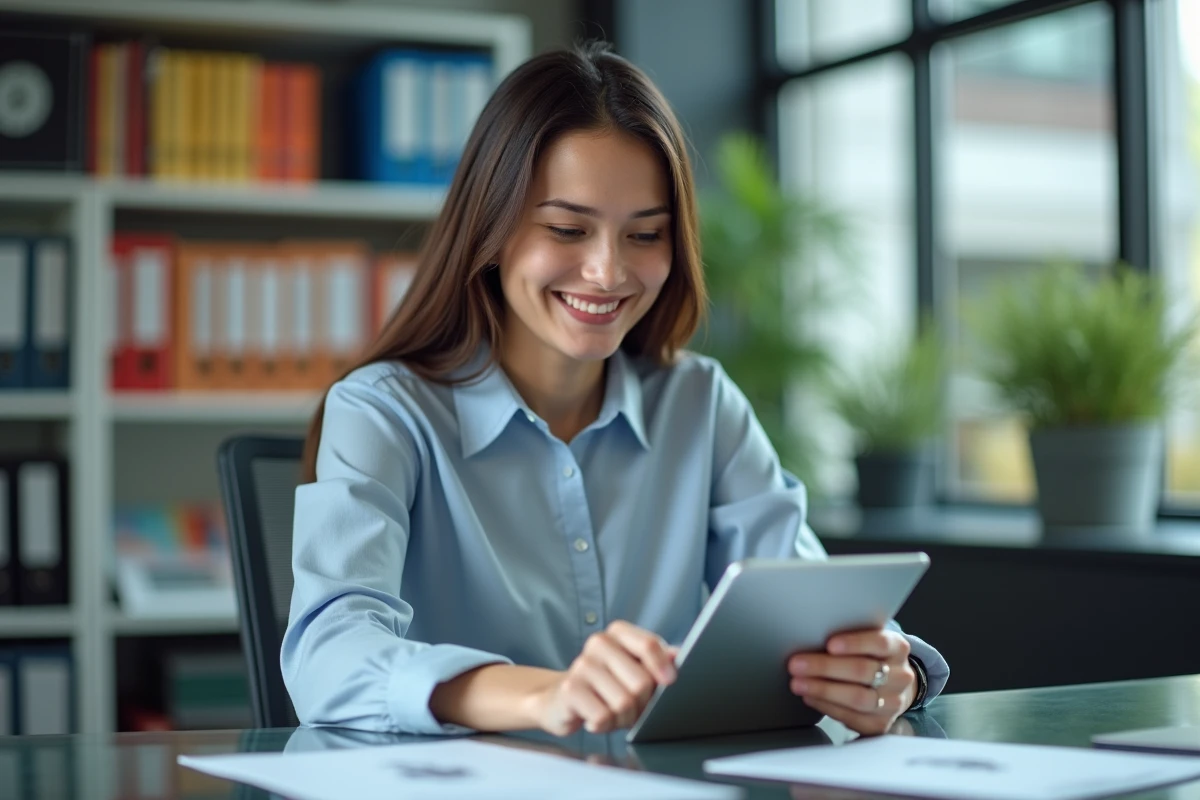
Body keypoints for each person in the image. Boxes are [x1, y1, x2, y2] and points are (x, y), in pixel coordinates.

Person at [282, 41, 949, 739]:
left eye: (646, 234)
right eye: (568, 228)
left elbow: (812, 605)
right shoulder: (381, 411)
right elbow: (329, 654)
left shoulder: (700, 403)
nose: (607, 272)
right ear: (493, 228)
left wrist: (884, 672)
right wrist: (545, 696)